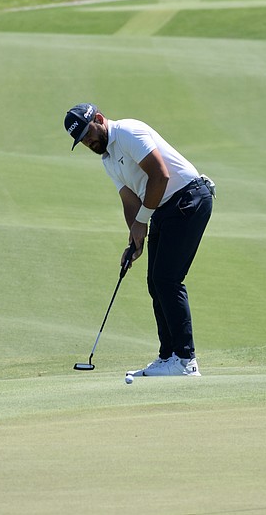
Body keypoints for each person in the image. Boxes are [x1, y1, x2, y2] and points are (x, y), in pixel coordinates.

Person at [64, 103, 214, 377]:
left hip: (188, 200)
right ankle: (168, 356)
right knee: (155, 282)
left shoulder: (128, 132)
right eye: (82, 140)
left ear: (98, 118)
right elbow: (129, 200)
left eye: (88, 133)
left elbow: (160, 176)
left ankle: (185, 360)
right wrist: (135, 241)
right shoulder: (108, 159)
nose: (88, 142)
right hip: (165, 208)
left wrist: (142, 222)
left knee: (168, 279)